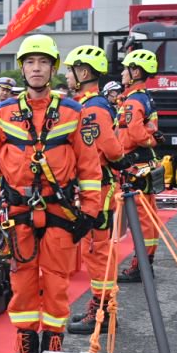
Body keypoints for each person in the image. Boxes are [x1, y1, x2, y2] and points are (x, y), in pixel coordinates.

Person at [0, 34, 102, 353]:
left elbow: (89, 166)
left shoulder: (73, 112)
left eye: (43, 62)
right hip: (18, 213)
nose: (36, 68)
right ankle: (26, 352)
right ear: (22, 68)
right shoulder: (2, 112)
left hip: (60, 212)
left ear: (53, 69)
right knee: (23, 285)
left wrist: (90, 211)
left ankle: (54, 351)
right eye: (30, 62)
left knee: (57, 285)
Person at [62, 45, 130, 336]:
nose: (67, 76)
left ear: (84, 72)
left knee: (97, 250)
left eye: (71, 70)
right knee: (95, 249)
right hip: (98, 186)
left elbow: (110, 148)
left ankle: (103, 311)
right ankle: (101, 305)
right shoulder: (92, 104)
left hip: (99, 189)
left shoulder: (92, 108)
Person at [115, 50, 163, 283]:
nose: (123, 73)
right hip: (145, 162)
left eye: (126, 69)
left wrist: (149, 141)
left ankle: (141, 267)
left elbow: (135, 133)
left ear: (136, 72)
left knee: (141, 218)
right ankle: (146, 263)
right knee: (149, 216)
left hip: (136, 162)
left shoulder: (133, 101)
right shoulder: (144, 97)